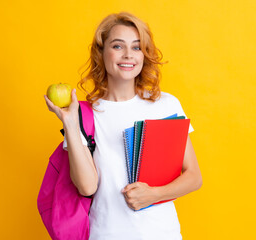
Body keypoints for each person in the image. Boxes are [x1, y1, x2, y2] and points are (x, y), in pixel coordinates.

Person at [44, 11, 202, 240]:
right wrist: (69, 123)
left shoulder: (165, 105)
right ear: (101, 52)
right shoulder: (82, 114)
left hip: (162, 234)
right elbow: (87, 187)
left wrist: (153, 194)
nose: (128, 54)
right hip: (106, 234)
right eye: (118, 46)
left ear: (144, 54)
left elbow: (194, 177)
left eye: (137, 47)